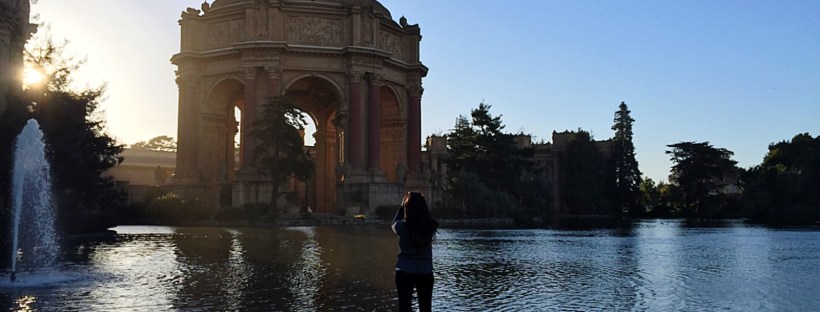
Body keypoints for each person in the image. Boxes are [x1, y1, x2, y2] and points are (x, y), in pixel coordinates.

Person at [392, 191, 439, 312]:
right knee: (425, 308)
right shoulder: (431, 226)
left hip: (405, 270)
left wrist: (401, 209)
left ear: (407, 207)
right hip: (425, 270)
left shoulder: (402, 227)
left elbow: (393, 224)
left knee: (404, 308)